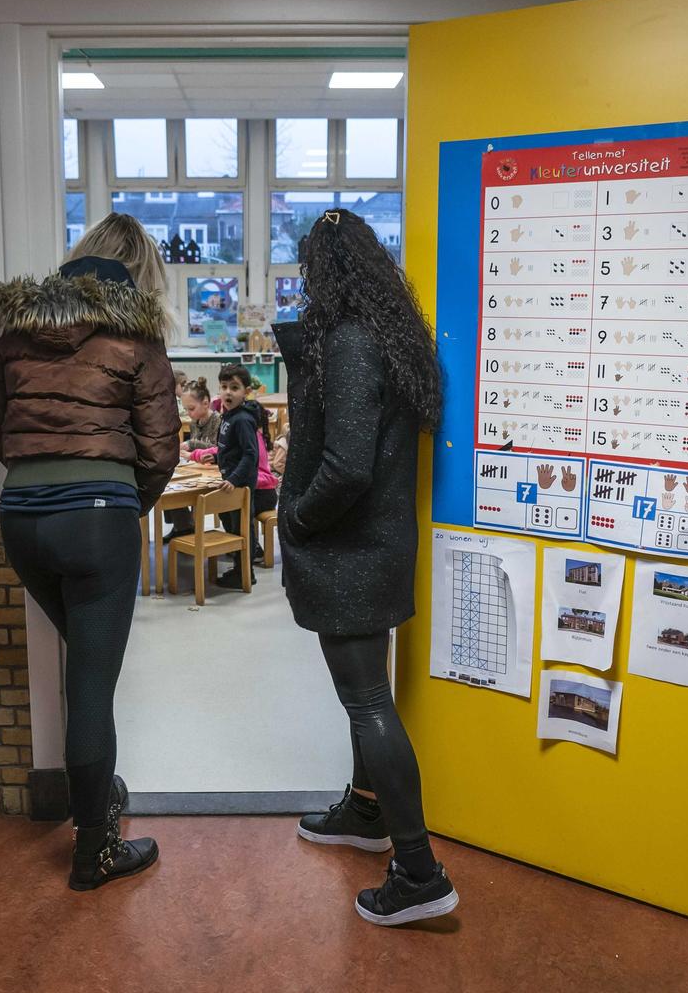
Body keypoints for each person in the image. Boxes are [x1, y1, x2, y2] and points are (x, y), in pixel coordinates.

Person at [0, 212, 179, 892]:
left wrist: (45, 485)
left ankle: (102, 794)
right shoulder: (137, 334)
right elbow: (160, 449)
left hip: (22, 520)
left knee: (86, 670)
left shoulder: (16, 331)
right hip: (98, 520)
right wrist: (123, 505)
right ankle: (93, 850)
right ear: (139, 270)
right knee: (91, 688)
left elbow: (2, 435)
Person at [274, 208, 457, 926]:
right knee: (369, 693)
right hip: (376, 548)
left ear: (324, 271)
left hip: (351, 551)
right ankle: (365, 809)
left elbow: (346, 467)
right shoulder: (387, 334)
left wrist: (297, 516)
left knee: (367, 703)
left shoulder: (350, 342)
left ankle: (418, 872)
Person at [208, 362, 276, 588]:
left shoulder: (243, 419)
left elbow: (250, 455)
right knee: (231, 526)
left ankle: (245, 574)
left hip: (241, 487)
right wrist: (217, 458)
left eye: (234, 387)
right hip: (230, 483)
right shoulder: (229, 416)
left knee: (241, 530)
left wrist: (234, 479)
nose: (228, 392)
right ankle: (239, 568)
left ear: (246, 392)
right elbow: (233, 449)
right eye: (224, 386)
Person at [162, 377, 222, 543]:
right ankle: (182, 526)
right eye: (186, 409)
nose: (188, 413)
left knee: (174, 489)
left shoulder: (218, 421)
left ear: (205, 403)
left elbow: (215, 447)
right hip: (198, 468)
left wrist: (192, 444)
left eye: (191, 408)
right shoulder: (195, 422)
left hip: (213, 471)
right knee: (168, 484)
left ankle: (184, 527)